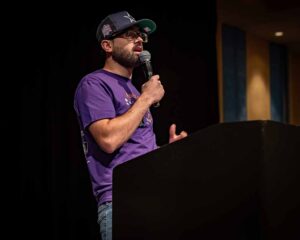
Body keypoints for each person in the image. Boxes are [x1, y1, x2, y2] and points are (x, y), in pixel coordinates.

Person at [73, 10, 187, 240]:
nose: (138, 40)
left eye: (140, 36)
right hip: (122, 202)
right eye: (129, 35)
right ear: (107, 45)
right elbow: (108, 140)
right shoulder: (94, 84)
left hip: (154, 198)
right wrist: (146, 99)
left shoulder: (135, 92)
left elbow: (135, 151)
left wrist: (169, 152)